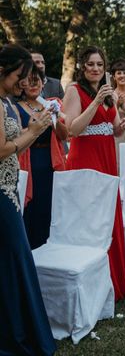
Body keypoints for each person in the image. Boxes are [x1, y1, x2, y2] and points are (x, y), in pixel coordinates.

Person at [0, 44, 56, 355]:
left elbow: (15, 148)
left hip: (9, 189)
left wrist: (34, 132)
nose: (23, 82)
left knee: (12, 263)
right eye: (19, 76)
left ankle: (17, 334)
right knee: (17, 259)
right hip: (1, 192)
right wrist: (32, 130)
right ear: (2, 71)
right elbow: (0, 150)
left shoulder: (7, 103)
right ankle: (16, 339)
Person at [64, 46, 125, 301]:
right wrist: (95, 102)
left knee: (108, 216)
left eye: (100, 65)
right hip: (85, 161)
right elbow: (73, 129)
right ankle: (91, 285)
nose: (95, 69)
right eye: (91, 64)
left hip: (107, 159)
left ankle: (113, 280)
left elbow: (113, 128)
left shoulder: (108, 94)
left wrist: (120, 127)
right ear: (82, 67)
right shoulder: (74, 91)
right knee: (91, 220)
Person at [17, 67, 68, 249]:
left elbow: (65, 135)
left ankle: (46, 250)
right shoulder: (15, 107)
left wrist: (54, 119)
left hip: (48, 162)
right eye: (28, 81)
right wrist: (35, 126)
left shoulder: (51, 105)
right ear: (21, 84)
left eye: (36, 80)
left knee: (47, 207)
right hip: (26, 161)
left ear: (42, 83)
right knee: (28, 209)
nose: (33, 84)